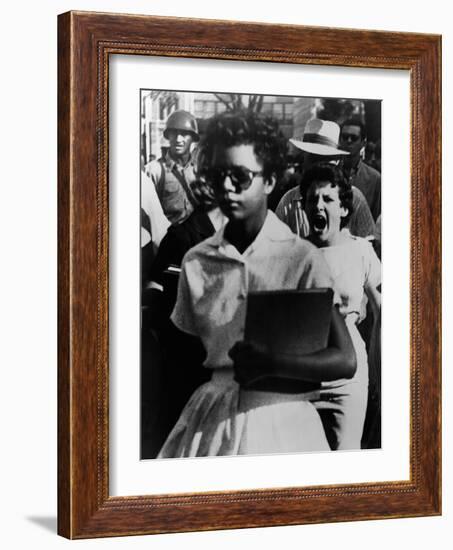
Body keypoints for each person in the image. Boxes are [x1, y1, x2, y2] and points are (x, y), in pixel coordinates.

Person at [157, 111, 356, 458]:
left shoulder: (300, 257)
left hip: (285, 423)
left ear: (270, 181)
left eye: (241, 176)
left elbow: (344, 359)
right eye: (219, 176)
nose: (227, 188)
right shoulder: (197, 261)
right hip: (212, 425)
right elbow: (182, 365)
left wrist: (273, 363)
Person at [301, 163, 381, 450]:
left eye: (327, 199)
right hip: (303, 378)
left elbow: (382, 306)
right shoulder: (294, 253)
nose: (318, 206)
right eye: (312, 200)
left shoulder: (361, 250)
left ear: (344, 210)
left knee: (347, 461)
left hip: (348, 378)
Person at [275, 119, 375, 239]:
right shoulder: (289, 202)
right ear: (304, 160)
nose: (318, 168)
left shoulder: (355, 199)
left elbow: (370, 244)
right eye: (313, 159)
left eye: (324, 160)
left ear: (337, 162)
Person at [143, 110, 200, 226]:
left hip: (198, 241)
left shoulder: (200, 171)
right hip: (169, 240)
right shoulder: (154, 171)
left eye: (184, 134)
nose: (178, 139)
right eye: (174, 133)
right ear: (168, 136)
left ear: (193, 138)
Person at [340, 117, 381, 221]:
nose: (349, 141)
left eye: (353, 138)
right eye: (345, 137)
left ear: (363, 143)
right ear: (340, 140)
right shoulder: (330, 172)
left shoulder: (374, 178)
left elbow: (376, 217)